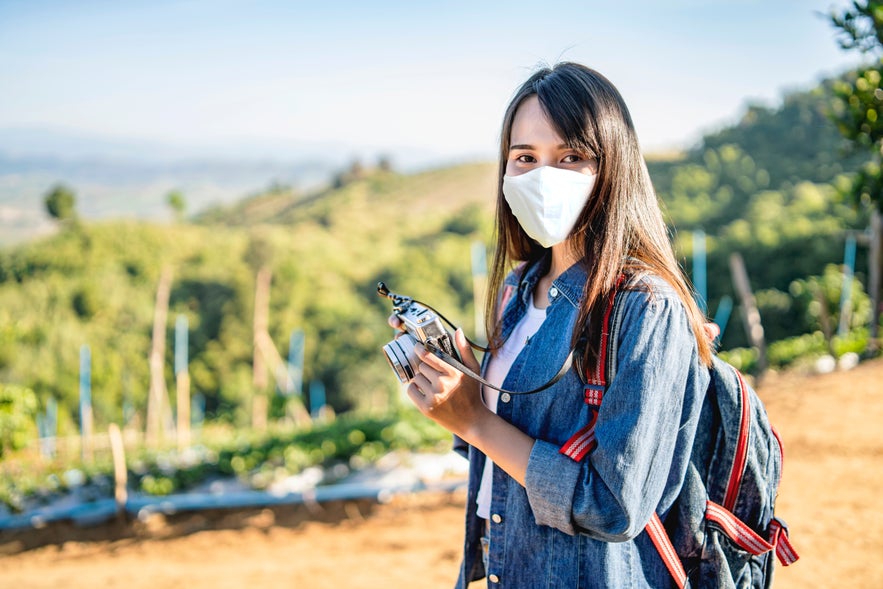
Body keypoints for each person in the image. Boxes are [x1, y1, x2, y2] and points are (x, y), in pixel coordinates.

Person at [393, 62, 714, 588]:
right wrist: (458, 389)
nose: (543, 176)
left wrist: (475, 422)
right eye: (525, 157)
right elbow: (500, 452)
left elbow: (615, 508)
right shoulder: (517, 288)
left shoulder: (646, 307)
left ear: (612, 167)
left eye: (570, 157)